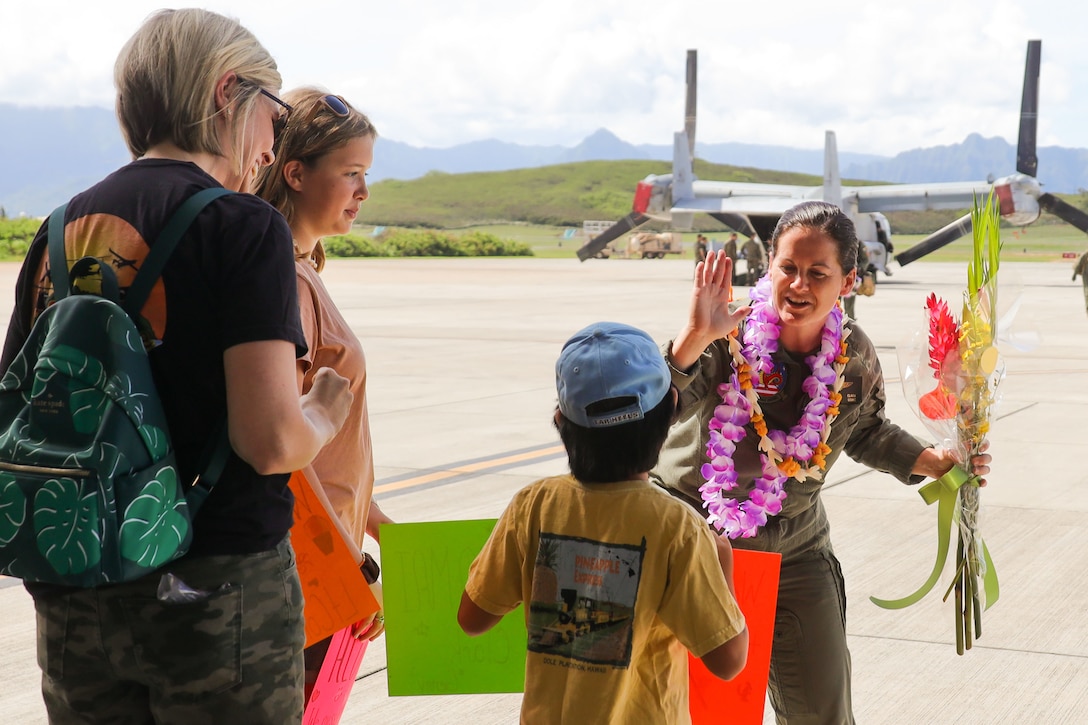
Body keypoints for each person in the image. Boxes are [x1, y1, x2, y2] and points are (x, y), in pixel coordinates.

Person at [0, 9, 352, 723]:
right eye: (272, 114)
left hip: (77, 579)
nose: (270, 139)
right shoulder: (241, 223)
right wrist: (321, 411)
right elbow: (270, 440)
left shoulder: (60, 227)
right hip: (213, 593)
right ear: (229, 93)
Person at [650, 200, 991, 725]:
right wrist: (693, 337)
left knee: (823, 710)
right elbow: (655, 412)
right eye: (787, 267)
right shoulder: (728, 334)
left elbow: (868, 431)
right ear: (769, 269)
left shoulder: (854, 353)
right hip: (700, 543)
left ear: (848, 280)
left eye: (817, 272)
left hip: (797, 547)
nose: (799, 285)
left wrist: (940, 461)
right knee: (704, 714)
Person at [458, 321, 749, 725]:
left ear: (561, 423)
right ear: (672, 411)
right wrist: (723, 565)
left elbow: (472, 619)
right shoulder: (678, 528)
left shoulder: (533, 504)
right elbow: (728, 660)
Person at [254, 87, 393, 700]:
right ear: (295, 173)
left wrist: (375, 524)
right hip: (311, 571)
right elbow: (286, 445)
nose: (364, 192)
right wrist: (344, 571)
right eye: (351, 174)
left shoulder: (298, 269)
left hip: (325, 557)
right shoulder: (285, 278)